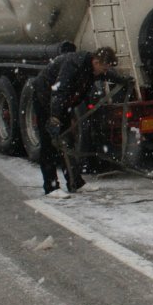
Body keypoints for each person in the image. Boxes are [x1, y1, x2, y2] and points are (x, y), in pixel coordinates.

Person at [30, 46, 119, 195]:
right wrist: (55, 118)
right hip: (45, 99)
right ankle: (51, 187)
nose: (104, 72)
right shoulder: (73, 65)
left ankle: (75, 183)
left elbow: (105, 75)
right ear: (96, 61)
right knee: (50, 143)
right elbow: (59, 91)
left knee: (67, 142)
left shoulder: (91, 67)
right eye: (103, 68)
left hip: (62, 103)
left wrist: (122, 79)